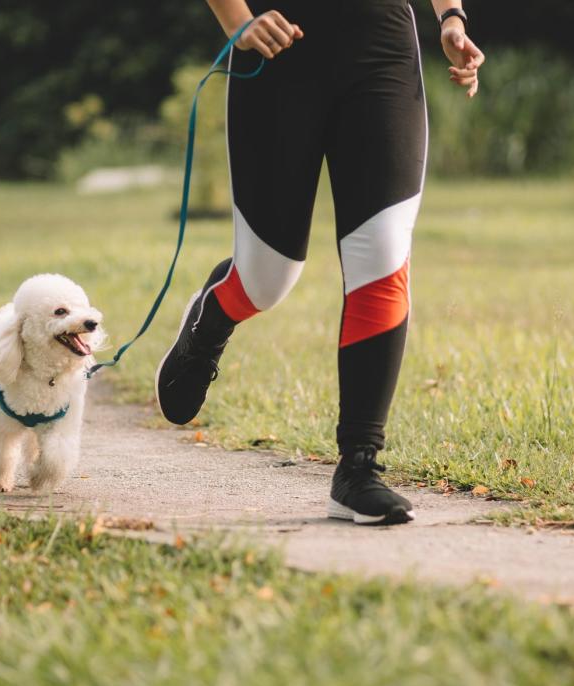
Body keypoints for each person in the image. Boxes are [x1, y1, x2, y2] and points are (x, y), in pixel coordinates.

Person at [156, 0, 483, 525]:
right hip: (279, 49)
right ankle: (212, 316)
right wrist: (239, 23)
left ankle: (359, 467)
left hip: (382, 50)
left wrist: (451, 18)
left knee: (382, 255)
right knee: (267, 278)